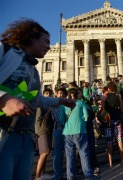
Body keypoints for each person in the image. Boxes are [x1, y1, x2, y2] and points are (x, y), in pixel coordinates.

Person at [0, 19, 75, 180]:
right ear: (31, 37)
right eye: (46, 41)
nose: (49, 46)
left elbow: (36, 100)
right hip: (3, 133)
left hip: (26, 136)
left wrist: (60, 101)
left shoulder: (33, 70)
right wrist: (3, 99)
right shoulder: (4, 51)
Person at [59, 88, 94, 179]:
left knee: (69, 156)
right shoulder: (81, 103)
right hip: (80, 130)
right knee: (83, 153)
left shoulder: (63, 106)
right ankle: (88, 176)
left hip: (67, 132)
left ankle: (70, 177)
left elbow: (61, 120)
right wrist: (82, 123)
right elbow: (86, 116)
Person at [101, 81, 123, 168]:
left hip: (108, 121)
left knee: (109, 141)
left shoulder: (104, 97)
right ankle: (122, 159)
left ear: (108, 88)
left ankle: (110, 163)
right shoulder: (118, 96)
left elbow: (102, 110)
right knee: (120, 140)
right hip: (117, 120)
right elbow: (122, 109)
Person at [34, 89, 54, 180]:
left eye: (50, 93)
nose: (48, 95)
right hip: (42, 130)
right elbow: (37, 119)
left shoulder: (50, 105)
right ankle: (37, 176)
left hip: (48, 129)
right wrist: (37, 131)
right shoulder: (41, 105)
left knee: (45, 153)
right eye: (46, 93)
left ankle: (42, 174)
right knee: (44, 152)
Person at [51, 87, 68, 180]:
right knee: (58, 153)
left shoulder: (64, 105)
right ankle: (58, 175)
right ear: (56, 94)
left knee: (67, 152)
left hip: (65, 130)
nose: (61, 95)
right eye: (59, 93)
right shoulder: (54, 105)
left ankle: (65, 174)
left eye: (63, 93)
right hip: (58, 130)